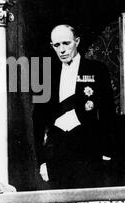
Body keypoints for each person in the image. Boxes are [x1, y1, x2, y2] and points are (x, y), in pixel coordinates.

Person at [33, 24, 116, 189]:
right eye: (57, 45)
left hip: (89, 151)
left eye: (66, 43)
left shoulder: (97, 70)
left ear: (77, 41)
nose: (62, 49)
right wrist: (41, 160)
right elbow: (38, 119)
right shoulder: (45, 74)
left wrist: (107, 152)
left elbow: (108, 113)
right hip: (57, 152)